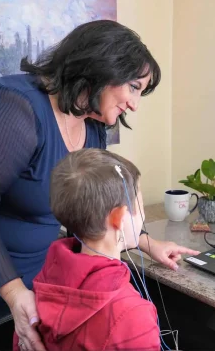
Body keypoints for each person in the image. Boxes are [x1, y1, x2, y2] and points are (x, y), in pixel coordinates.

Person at [0, 20, 199, 351]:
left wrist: (144, 242)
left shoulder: (92, 123)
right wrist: (15, 295)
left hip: (33, 283)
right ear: (101, 67)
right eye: (133, 87)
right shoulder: (9, 110)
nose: (134, 104)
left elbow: (89, 203)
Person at [13, 148, 161, 351]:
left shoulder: (47, 275)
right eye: (140, 207)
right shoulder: (133, 315)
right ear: (119, 217)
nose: (143, 216)